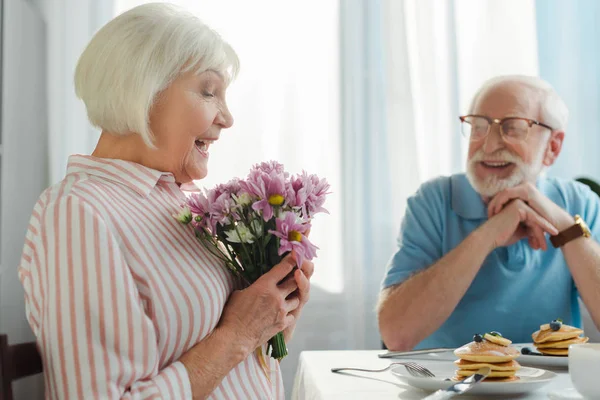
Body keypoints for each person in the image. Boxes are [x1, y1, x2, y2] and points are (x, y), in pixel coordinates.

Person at [18, 3, 312, 398]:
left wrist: (274, 319)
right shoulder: (78, 213)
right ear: (143, 91)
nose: (227, 117)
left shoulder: (181, 208)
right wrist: (240, 334)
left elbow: (231, 363)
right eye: (209, 92)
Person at [377, 75, 600, 351]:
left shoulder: (580, 204)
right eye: (478, 127)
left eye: (513, 128)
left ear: (552, 147)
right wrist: (490, 233)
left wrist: (566, 229)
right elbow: (396, 334)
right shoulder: (433, 201)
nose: (489, 145)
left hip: (553, 389)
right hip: (449, 386)